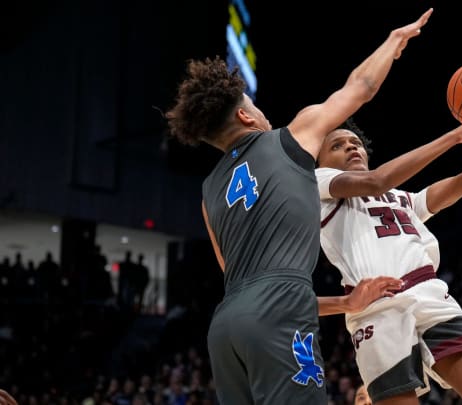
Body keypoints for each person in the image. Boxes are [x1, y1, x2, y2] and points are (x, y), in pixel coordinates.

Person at [163, 8, 433, 405]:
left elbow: (241, 281)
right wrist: (393, 42)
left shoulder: (208, 192)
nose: (261, 110)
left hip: (226, 325)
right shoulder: (288, 141)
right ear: (245, 116)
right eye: (253, 104)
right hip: (279, 310)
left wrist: (345, 303)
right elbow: (360, 87)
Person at [314, 104, 462, 405]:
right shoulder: (319, 186)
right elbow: (378, 180)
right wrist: (456, 135)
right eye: (337, 146)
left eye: (355, 143)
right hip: (375, 309)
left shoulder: (404, 199)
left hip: (431, 296)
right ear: (321, 163)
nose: (351, 147)